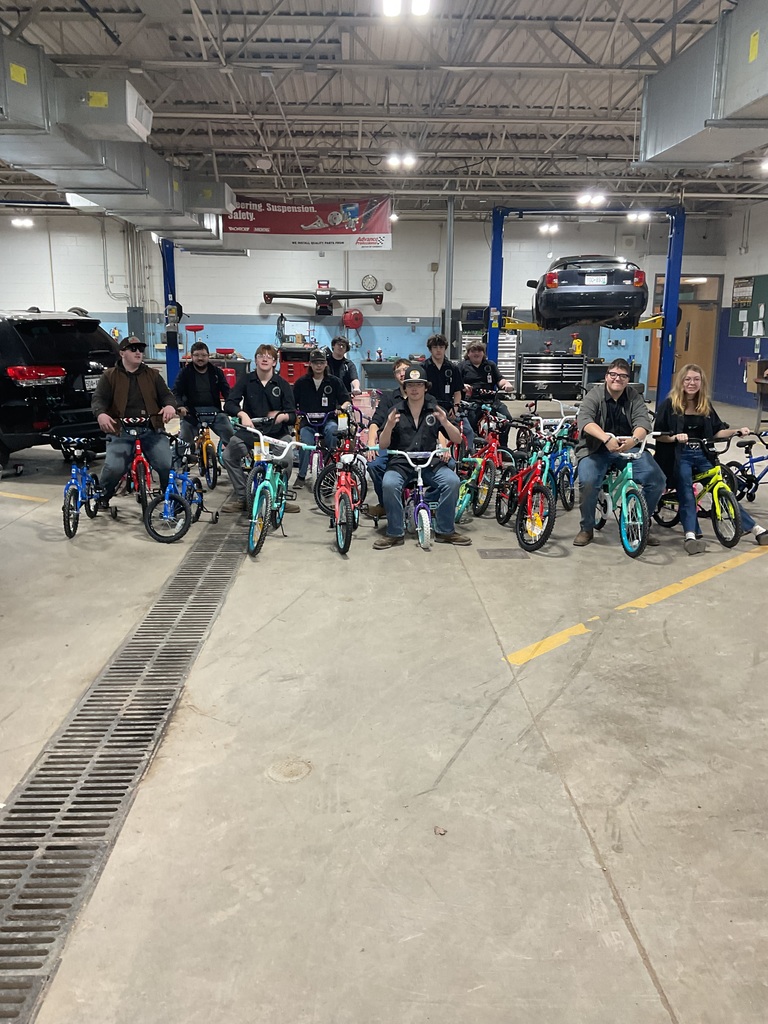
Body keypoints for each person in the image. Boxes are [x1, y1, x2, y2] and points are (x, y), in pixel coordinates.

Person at [654, 363, 768, 553]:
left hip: (702, 454)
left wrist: (736, 431)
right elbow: (657, 434)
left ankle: (755, 528)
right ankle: (690, 535)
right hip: (679, 456)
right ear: (681, 381)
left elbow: (717, 431)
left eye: (696, 379)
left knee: (721, 488)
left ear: (702, 383)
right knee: (686, 492)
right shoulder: (670, 404)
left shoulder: (704, 405)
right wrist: (674, 437)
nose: (692, 383)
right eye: (688, 379)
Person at [374, 367, 471, 549]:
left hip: (429, 463)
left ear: (426, 387)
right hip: (402, 463)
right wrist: (388, 426)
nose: (415, 389)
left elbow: (457, 439)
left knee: (452, 481)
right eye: (410, 385)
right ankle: (395, 532)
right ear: (405, 388)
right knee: (389, 484)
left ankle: (445, 530)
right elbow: (383, 445)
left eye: (419, 384)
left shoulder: (435, 410)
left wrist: (445, 422)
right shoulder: (395, 411)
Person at [573, 357, 666, 547]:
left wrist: (634, 439)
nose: (618, 379)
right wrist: (606, 439)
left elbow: (643, 423)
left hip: (627, 447)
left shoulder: (634, 397)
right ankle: (587, 528)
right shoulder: (594, 395)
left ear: (628, 379)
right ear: (606, 376)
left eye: (623, 376)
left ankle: (639, 524)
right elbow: (585, 421)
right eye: (613, 374)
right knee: (589, 482)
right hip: (595, 449)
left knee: (656, 479)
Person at [91, 336, 177, 506]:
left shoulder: (153, 375)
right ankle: (103, 497)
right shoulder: (109, 376)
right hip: (120, 431)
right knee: (114, 468)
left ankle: (171, 500)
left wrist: (169, 406)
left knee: (166, 464)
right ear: (122, 353)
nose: (138, 352)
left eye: (141, 349)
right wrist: (100, 413)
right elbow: (98, 398)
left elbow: (167, 395)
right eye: (133, 349)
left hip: (151, 429)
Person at [221, 344, 299, 515]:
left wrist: (282, 416)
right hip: (251, 433)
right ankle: (243, 496)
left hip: (276, 434)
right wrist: (242, 414)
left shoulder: (283, 384)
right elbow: (229, 404)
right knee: (229, 455)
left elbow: (292, 414)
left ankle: (280, 496)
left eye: (269, 357)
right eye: (260, 356)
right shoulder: (246, 380)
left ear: (274, 363)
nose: (264, 359)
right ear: (256, 360)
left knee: (287, 458)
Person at [292, 348, 351, 489]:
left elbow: (346, 400)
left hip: (328, 419)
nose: (318, 365)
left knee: (333, 432)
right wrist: (295, 412)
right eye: (315, 362)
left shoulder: (334, 382)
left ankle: (330, 470)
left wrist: (341, 408)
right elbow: (292, 403)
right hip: (308, 421)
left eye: (321, 362)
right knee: (305, 442)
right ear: (310, 365)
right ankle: (301, 476)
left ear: (326, 364)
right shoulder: (301, 383)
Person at [365, 358, 411, 518]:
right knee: (374, 464)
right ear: (394, 376)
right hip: (390, 445)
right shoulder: (388, 398)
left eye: (406, 369)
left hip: (415, 446)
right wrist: (371, 444)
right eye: (399, 371)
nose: (402, 373)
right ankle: (386, 504)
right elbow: (375, 422)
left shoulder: (424, 397)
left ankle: (429, 504)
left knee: (449, 465)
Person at [172, 341, 234, 448]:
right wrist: (180, 406)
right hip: (191, 412)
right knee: (184, 443)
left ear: (208, 356)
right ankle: (178, 464)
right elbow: (176, 391)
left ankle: (234, 461)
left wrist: (232, 405)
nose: (200, 358)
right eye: (196, 355)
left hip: (214, 412)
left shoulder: (216, 372)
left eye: (203, 355)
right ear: (191, 356)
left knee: (232, 439)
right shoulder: (185, 373)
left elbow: (226, 391)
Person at [423, 332, 474, 452]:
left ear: (445, 348)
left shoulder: (453, 368)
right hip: (429, 408)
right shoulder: (423, 368)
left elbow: (457, 391)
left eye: (441, 347)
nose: (438, 350)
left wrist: (455, 408)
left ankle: (466, 461)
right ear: (430, 350)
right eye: (435, 347)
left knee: (468, 431)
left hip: (449, 407)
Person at [459, 340, 514, 434]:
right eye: (473, 351)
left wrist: (506, 384)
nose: (476, 353)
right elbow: (456, 383)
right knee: (470, 422)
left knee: (507, 419)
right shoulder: (462, 366)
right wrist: (462, 386)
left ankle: (502, 446)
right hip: (472, 401)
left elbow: (500, 379)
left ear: (483, 353)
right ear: (468, 353)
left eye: (479, 351)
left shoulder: (490, 365)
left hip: (491, 400)